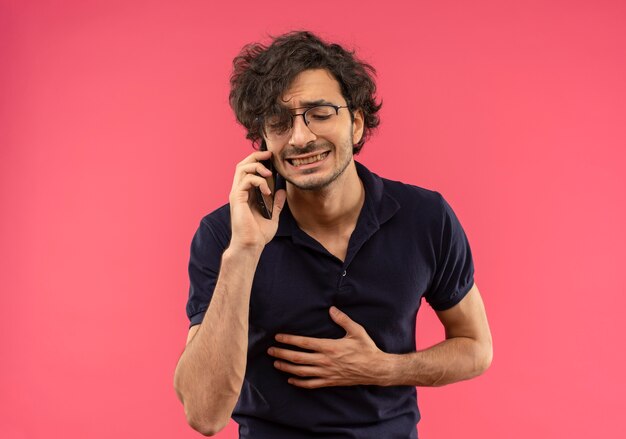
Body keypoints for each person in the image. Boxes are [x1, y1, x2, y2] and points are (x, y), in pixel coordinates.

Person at [174, 31, 492, 438]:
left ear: (356, 124)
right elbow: (203, 414)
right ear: (264, 141)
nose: (301, 136)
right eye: (279, 121)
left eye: (320, 113)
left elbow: (476, 348)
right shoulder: (224, 234)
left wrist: (385, 368)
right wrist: (245, 250)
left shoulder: (425, 217)